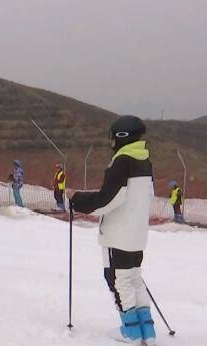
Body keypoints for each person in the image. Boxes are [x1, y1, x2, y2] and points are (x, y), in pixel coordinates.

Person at [70, 115, 156, 346]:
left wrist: (78, 201)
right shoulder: (144, 161)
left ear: (120, 137)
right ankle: (147, 330)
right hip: (138, 234)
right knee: (134, 279)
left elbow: (109, 199)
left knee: (118, 280)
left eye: (112, 139)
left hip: (118, 234)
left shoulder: (122, 162)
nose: (110, 144)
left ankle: (131, 332)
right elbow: (147, 196)